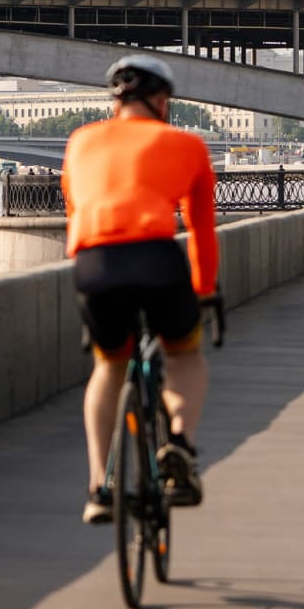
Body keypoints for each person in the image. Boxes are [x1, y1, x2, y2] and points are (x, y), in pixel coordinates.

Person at [62, 53, 217, 525]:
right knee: (183, 355)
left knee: (108, 367)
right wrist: (204, 291)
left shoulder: (80, 141)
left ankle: (99, 487)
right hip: (156, 259)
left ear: (116, 100)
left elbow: (76, 211)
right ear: (161, 100)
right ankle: (179, 445)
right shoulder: (185, 143)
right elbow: (202, 232)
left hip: (95, 265)